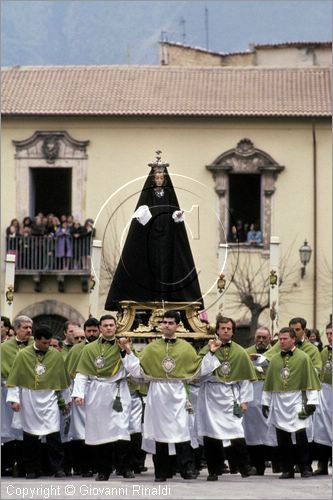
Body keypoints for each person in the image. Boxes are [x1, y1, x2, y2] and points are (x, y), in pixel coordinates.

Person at [119, 310, 222, 482]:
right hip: (157, 394)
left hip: (177, 394)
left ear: (177, 325)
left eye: (170, 322)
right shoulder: (151, 348)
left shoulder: (186, 348)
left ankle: (186, 469)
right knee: (160, 435)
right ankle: (161, 472)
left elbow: (198, 370)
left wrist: (211, 353)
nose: (166, 325)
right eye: (164, 322)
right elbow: (138, 370)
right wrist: (128, 352)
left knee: (181, 432)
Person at [105, 153, 203, 310]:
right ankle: (150, 296)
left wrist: (176, 216)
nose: (159, 180)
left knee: (168, 264)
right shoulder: (147, 196)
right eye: (156, 177)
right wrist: (142, 214)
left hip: (167, 239)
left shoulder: (170, 196)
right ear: (152, 179)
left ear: (165, 179)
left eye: (161, 177)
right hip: (150, 239)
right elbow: (139, 218)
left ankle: (168, 297)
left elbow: (174, 213)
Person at [72, 314, 135, 481]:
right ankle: (103, 470)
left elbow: (135, 370)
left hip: (117, 391)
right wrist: (78, 393)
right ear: (100, 328)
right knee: (101, 432)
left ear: (116, 327)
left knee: (121, 430)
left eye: (111, 325)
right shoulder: (89, 348)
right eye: (105, 325)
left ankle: (125, 468)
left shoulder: (124, 345)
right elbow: (82, 373)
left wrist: (126, 350)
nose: (108, 328)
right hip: (97, 393)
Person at [196, 316, 257, 481]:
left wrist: (244, 400)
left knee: (236, 431)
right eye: (222, 328)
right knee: (211, 434)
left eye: (228, 329)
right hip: (210, 395)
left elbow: (244, 379)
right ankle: (213, 470)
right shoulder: (207, 349)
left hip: (231, 395)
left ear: (233, 331)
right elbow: (201, 373)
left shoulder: (240, 352)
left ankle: (245, 467)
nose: (225, 331)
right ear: (217, 330)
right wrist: (211, 352)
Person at [6, 324, 71, 479]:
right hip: (29, 398)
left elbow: (63, 380)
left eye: (49, 343)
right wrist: (14, 399)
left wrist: (66, 401)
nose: (47, 346)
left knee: (54, 435)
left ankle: (58, 468)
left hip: (49, 398)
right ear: (36, 340)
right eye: (44, 343)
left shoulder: (55, 355)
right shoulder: (22, 355)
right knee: (30, 437)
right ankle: (31, 469)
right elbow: (15, 379)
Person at [262, 327, 320, 479]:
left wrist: (312, 402)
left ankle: (305, 467)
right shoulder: (274, 359)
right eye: (280, 339)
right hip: (279, 402)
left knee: (301, 436)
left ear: (293, 339)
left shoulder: (303, 358)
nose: (281, 341)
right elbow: (269, 384)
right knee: (283, 438)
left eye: (285, 339)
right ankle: (287, 468)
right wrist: (266, 402)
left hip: (297, 401)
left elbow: (311, 381)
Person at [65, 317, 100, 477]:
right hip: (82, 393)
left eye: (94, 330)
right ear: (85, 331)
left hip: (100, 392)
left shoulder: (104, 347)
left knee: (99, 430)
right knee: (80, 432)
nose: (91, 334)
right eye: (89, 331)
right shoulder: (76, 349)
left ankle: (98, 466)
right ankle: (82, 466)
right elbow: (70, 372)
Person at [1, 315, 34, 477]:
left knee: (27, 429)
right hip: (9, 391)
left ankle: (26, 466)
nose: (28, 330)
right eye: (25, 327)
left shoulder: (37, 344)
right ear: (15, 329)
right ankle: (7, 465)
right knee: (9, 429)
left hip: (31, 391)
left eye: (30, 327)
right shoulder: (4, 348)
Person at [244, 326, 275, 475]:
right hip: (253, 391)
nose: (261, 340)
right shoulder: (246, 353)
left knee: (272, 428)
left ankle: (278, 463)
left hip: (270, 390)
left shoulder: (276, 352)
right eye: (258, 337)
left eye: (264, 338)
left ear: (269, 338)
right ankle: (257, 465)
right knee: (253, 430)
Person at [313, 322, 332, 475]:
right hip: (326, 393)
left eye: (332, 333)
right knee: (322, 429)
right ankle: (322, 465)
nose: (330, 337)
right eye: (328, 334)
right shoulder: (324, 352)